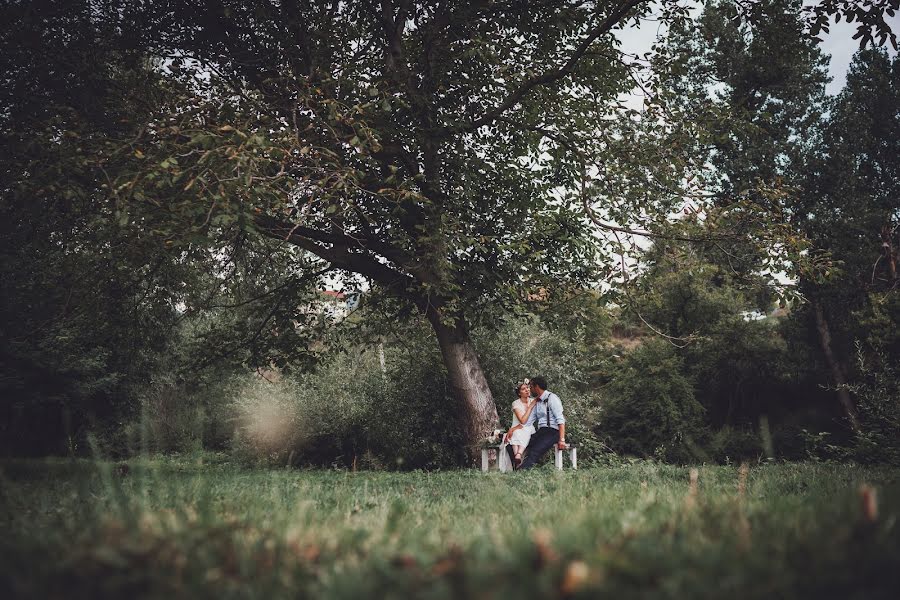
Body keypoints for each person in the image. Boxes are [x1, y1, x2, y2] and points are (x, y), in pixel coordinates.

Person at [519, 376, 567, 470]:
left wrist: (562, 439)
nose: (530, 389)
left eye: (531, 387)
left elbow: (561, 420)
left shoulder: (552, 398)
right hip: (541, 431)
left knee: (534, 451)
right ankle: (511, 469)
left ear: (536, 387)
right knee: (517, 443)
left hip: (553, 431)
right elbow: (528, 422)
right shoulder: (537, 401)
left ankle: (521, 473)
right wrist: (513, 431)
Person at [501, 380, 537, 470]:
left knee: (526, 430)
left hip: (529, 427)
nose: (527, 390)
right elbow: (522, 420)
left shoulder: (533, 401)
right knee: (516, 433)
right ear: (519, 393)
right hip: (517, 427)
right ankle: (518, 460)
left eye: (528, 388)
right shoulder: (516, 403)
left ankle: (518, 456)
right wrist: (513, 429)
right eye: (523, 389)